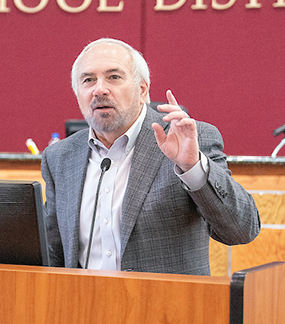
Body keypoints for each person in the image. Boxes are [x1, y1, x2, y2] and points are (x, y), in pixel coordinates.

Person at [41, 38, 260, 276]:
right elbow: (52, 251)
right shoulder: (60, 157)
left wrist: (192, 166)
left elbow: (241, 230)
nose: (99, 89)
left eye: (114, 77)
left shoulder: (186, 141)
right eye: (88, 80)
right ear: (78, 93)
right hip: (83, 308)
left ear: (143, 90)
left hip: (165, 310)